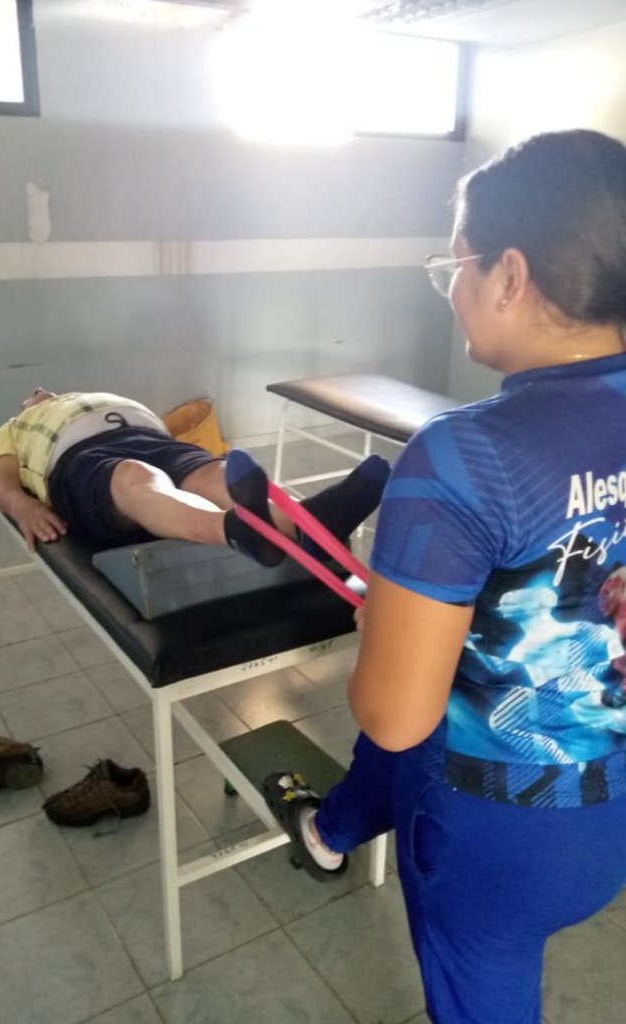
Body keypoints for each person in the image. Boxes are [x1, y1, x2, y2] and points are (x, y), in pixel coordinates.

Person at [265, 129, 626, 1024]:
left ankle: (332, 828)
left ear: (510, 275)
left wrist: (385, 634)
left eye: (456, 265)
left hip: (497, 837)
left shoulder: (463, 457)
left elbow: (395, 717)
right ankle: (331, 830)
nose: (453, 290)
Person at [0, 387, 390, 562]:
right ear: (27, 406)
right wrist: (22, 507)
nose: (40, 392)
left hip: (153, 440)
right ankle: (236, 531)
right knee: (134, 477)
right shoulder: (16, 427)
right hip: (81, 460)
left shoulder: (85, 397)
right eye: (31, 395)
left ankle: (309, 524)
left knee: (215, 472)